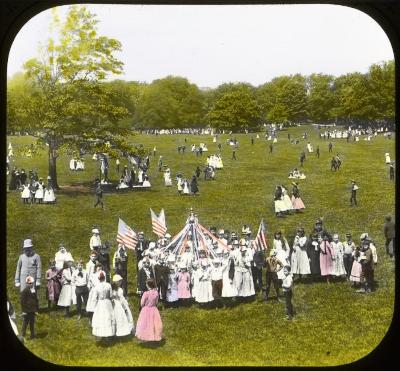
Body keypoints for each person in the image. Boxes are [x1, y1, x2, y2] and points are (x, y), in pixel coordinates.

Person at [91, 271, 116, 340]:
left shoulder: (96, 287)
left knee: (101, 318)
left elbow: (94, 298)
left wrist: (95, 305)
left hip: (100, 303)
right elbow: (111, 295)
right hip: (107, 302)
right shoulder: (108, 285)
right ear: (104, 278)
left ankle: (102, 334)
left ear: (99, 279)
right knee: (108, 317)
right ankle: (108, 335)